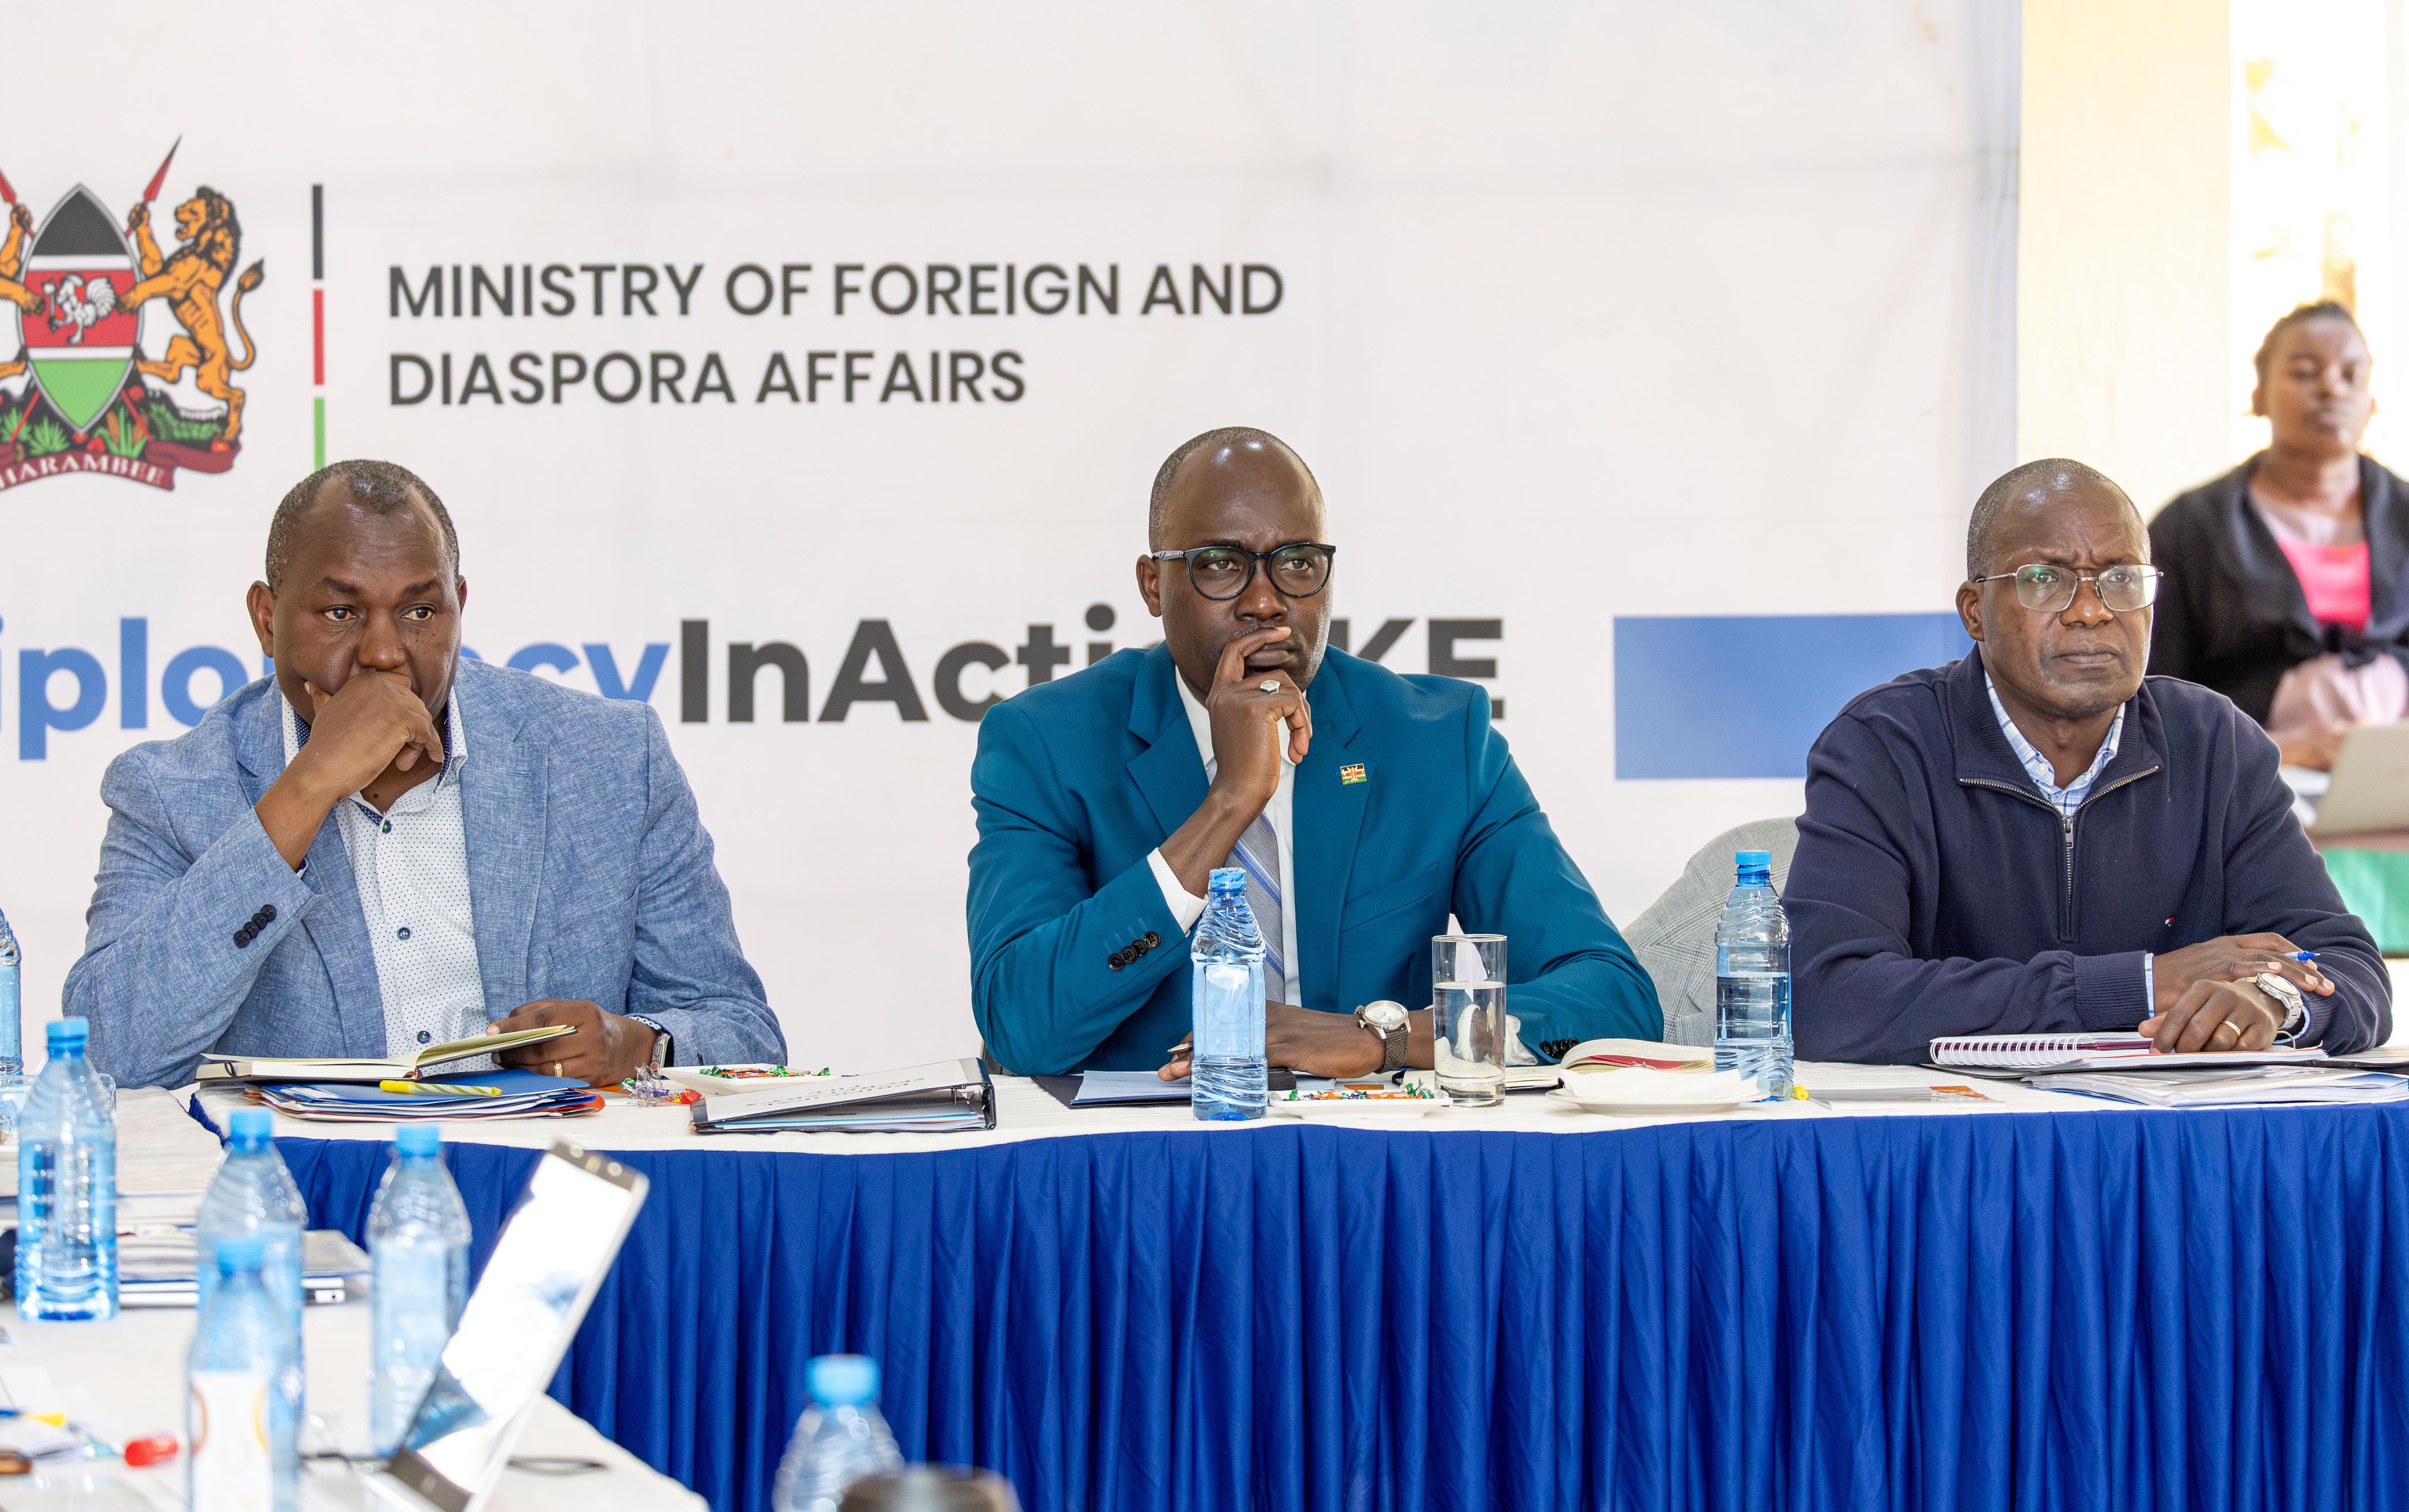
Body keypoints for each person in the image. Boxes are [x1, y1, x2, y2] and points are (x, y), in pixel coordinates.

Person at [64, 459, 785, 1088]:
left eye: (418, 610)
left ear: (458, 608)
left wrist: (638, 1045)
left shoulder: (609, 759)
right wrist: (307, 786)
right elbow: (106, 1054)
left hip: (547, 1184)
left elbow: (745, 1036)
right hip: (311, 1205)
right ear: (265, 619)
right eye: (341, 611)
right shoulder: (170, 789)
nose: (384, 651)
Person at [966, 426, 1658, 1077]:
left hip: (1372, 1166)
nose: (1265, 601)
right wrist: (1229, 803)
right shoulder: (1047, 742)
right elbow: (1020, 1024)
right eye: (1220, 565)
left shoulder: (1439, 739)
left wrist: (1380, 1037)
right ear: (1154, 584)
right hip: (1148, 1167)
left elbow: (1612, 1000)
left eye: (1297, 563)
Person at [1788, 458, 2389, 1064]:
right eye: (2045, 579)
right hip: (1957, 1136)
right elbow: (1825, 998)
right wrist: (2136, 985)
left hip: (2165, 1136)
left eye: (2121, 578)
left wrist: (2273, 1000)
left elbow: (2344, 966)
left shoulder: (2214, 744)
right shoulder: (1884, 745)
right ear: (1974, 611)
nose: (2091, 611)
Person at [2149, 301, 2409, 768]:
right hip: (2251, 781)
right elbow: (2153, 693)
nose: (2332, 387)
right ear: (2259, 395)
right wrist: (2281, 752)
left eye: (2351, 374)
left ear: (2371, 401)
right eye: (2306, 372)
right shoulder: (2191, 528)